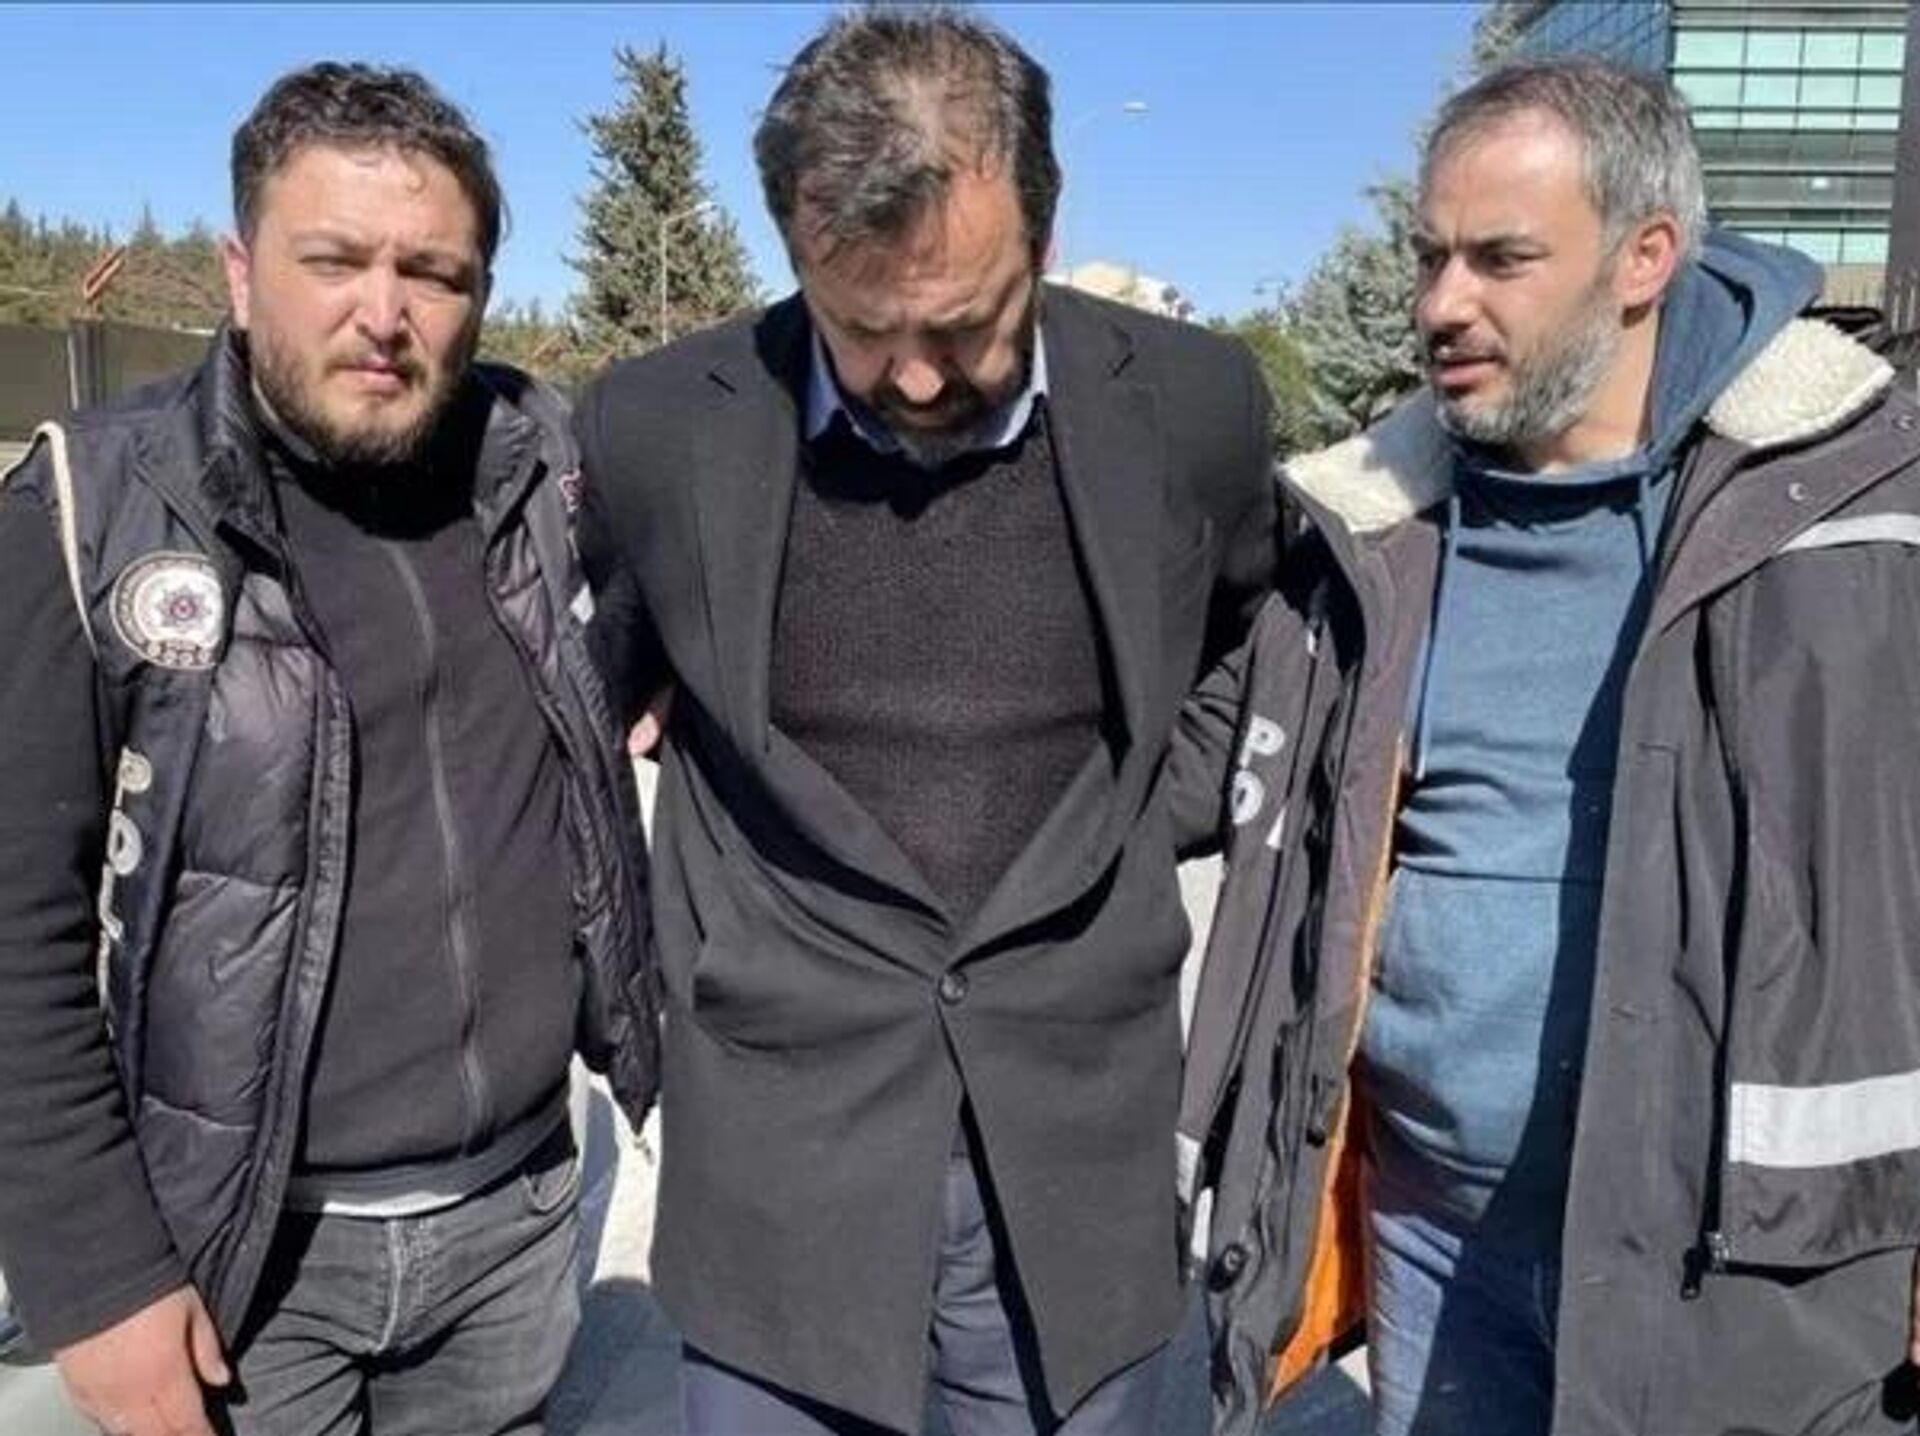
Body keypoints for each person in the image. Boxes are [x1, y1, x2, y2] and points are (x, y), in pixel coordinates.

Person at [1175, 56, 1920, 1436]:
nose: (1440, 305)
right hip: (1431, 1239)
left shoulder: (1855, 511)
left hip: (1739, 1273)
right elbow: (1182, 771)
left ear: (1647, 256)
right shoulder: (1369, 536)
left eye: (1501, 260)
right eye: (1430, 257)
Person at [575, 8, 1275, 1433]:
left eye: (965, 325)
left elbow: (1245, 650)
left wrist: (1124, 826)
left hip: (1073, 1175)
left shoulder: (1197, 407)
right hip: (780, 1179)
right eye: (859, 328)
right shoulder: (656, 429)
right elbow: (604, 700)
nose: (913, 378)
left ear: (1047, 229)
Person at [0, 62, 656, 1436]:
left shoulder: (544, 477)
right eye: (335, 260)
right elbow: (15, 925)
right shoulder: (94, 508)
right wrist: (94, 1277)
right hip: (240, 1261)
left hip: (515, 1224)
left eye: (434, 272)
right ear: (242, 274)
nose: (385, 312)